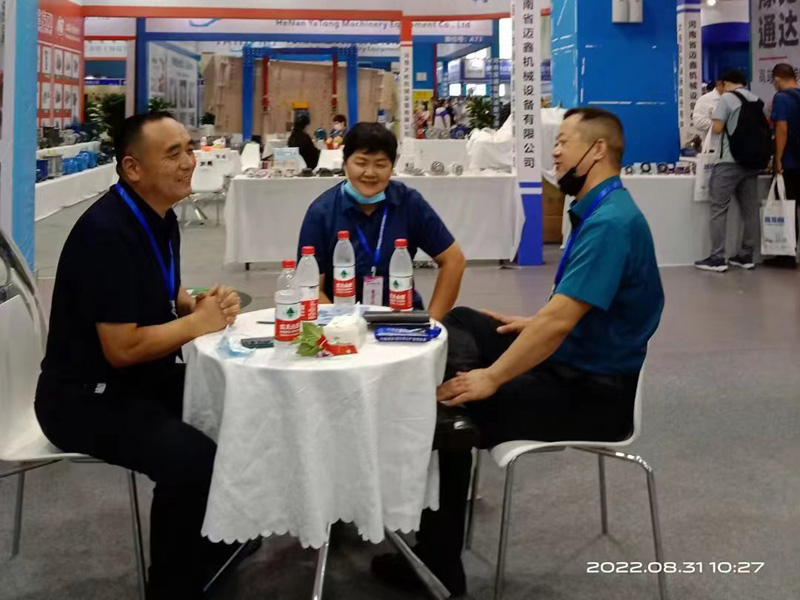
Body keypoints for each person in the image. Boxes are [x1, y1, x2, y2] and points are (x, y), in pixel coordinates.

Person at [371, 108, 664, 597]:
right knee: (464, 321)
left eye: (563, 142)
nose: (555, 153)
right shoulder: (598, 209)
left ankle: (439, 565)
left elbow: (559, 322)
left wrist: (492, 377)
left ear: (596, 151)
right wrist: (531, 328)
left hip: (592, 391)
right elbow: (577, 309)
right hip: (574, 358)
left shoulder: (611, 223)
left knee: (448, 412)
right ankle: (455, 393)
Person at [34, 112, 244, 599]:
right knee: (192, 459)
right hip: (84, 400)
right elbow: (123, 348)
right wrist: (197, 323)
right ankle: (172, 587)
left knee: (239, 402)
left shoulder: (158, 217)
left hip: (138, 380)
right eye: (172, 154)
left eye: (189, 149)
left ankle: (213, 547)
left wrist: (196, 303)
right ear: (132, 168)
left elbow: (164, 292)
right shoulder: (107, 233)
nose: (189, 162)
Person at [297, 122, 466, 321]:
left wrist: (432, 323)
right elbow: (310, 288)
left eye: (380, 164)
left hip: (402, 322)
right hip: (340, 325)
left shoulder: (409, 203)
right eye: (361, 163)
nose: (370, 173)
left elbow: (454, 260)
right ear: (345, 163)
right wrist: (345, 326)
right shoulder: (321, 212)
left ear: (392, 167)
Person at [694, 70, 763, 272]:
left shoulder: (726, 99)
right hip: (752, 163)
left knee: (718, 209)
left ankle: (717, 258)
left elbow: (717, 128)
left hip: (728, 161)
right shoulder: (756, 100)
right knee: (750, 210)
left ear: (725, 83)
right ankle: (746, 255)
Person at [767, 63, 800, 268]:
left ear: (777, 79)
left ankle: (787, 254)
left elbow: (782, 129)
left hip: (791, 162)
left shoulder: (781, 98)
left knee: (788, 208)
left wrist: (777, 158)